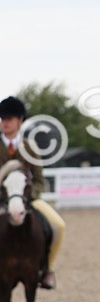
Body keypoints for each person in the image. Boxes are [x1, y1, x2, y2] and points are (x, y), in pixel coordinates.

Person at [0, 95, 65, 288]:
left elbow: (39, 180)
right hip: (1, 199)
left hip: (26, 199)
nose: (5, 123)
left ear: (20, 121)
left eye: (9, 119)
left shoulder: (30, 146)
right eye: (2, 119)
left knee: (58, 226)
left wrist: (28, 198)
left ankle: (47, 270)